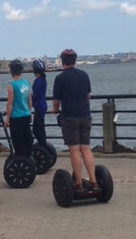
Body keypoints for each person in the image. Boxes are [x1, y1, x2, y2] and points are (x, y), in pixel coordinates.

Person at [52, 49, 99, 192]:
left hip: (70, 117)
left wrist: (55, 110)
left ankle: (78, 182)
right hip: (85, 115)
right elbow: (87, 96)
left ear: (62, 61)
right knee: (85, 148)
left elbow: (56, 102)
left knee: (74, 149)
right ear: (75, 60)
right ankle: (93, 180)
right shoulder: (84, 75)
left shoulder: (60, 78)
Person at [4, 59, 33, 157]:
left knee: (17, 141)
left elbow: (10, 103)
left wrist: (7, 119)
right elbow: (29, 99)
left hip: (16, 117)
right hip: (26, 114)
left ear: (11, 71)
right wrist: (29, 111)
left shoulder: (11, 85)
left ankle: (20, 160)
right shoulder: (26, 83)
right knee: (27, 139)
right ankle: (28, 158)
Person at [31, 59, 47, 147]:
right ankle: (43, 145)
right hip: (41, 106)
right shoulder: (42, 80)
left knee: (37, 130)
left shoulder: (38, 81)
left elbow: (35, 95)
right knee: (40, 129)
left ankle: (43, 146)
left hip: (39, 107)